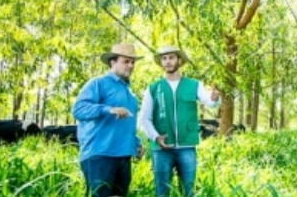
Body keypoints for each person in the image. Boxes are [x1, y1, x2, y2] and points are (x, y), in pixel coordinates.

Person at [139, 45, 219, 197]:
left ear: (179, 60)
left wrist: (215, 98)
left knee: (188, 192)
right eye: (164, 58)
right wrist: (155, 137)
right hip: (160, 149)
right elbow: (144, 118)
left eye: (171, 57)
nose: (167, 61)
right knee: (161, 193)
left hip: (186, 147)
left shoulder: (194, 85)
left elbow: (210, 102)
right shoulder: (153, 88)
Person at [72, 42, 145, 197]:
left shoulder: (130, 94)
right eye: (126, 61)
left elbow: (126, 125)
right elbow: (78, 109)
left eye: (133, 62)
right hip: (100, 155)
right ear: (113, 62)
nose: (131, 65)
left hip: (123, 156)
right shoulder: (98, 83)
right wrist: (108, 109)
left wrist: (136, 143)